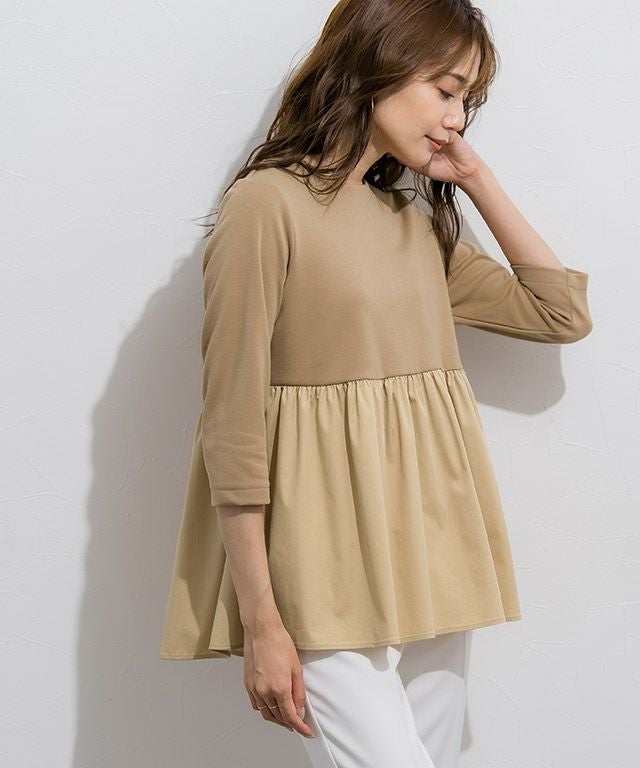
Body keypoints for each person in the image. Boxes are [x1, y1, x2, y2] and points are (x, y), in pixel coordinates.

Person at [159, 1, 593, 765]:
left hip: (434, 546)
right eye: (446, 89)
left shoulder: (412, 222)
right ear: (376, 64)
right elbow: (232, 423)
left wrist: (477, 178)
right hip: (317, 556)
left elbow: (558, 313)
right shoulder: (266, 205)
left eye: (467, 100)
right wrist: (262, 620)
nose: (457, 117)